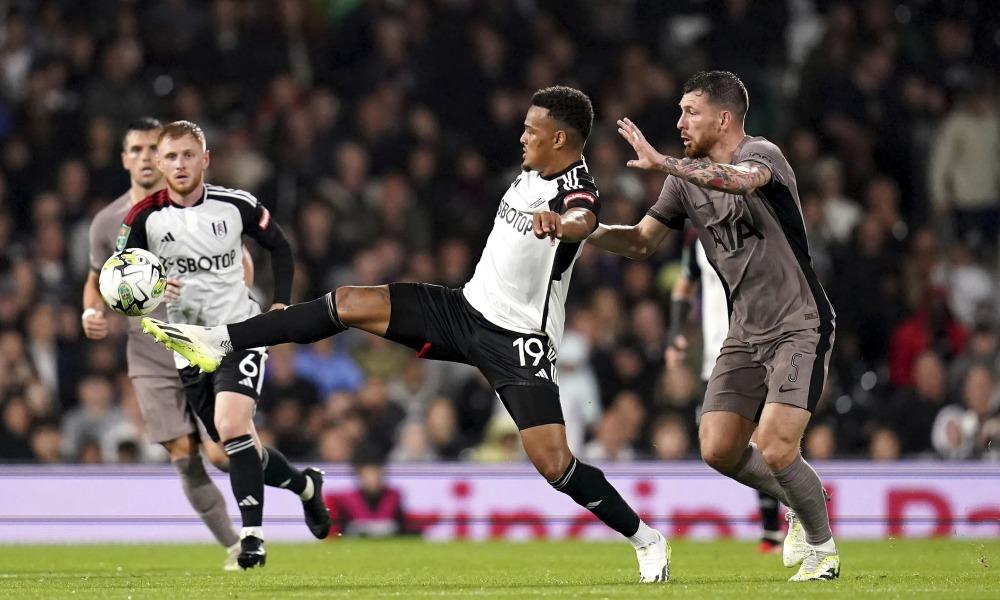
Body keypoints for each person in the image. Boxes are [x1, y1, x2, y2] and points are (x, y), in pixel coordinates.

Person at [141, 87, 671, 583]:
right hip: (463, 309)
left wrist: (566, 225)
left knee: (555, 465)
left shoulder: (574, 186)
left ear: (559, 138)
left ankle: (646, 539)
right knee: (348, 301)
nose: (521, 137)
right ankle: (223, 339)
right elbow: (601, 234)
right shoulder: (531, 169)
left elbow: (582, 215)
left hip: (517, 341)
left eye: (531, 130)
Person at [588, 71, 839, 581]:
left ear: (723, 118)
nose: (679, 122)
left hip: (800, 322)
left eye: (690, 111)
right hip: (744, 332)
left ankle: (822, 550)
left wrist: (666, 164)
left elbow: (739, 180)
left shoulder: (764, 155)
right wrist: (583, 231)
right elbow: (641, 241)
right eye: (680, 111)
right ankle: (802, 494)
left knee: (774, 445)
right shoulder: (682, 180)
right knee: (718, 448)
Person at [115, 120, 331, 569]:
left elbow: (281, 246)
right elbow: (121, 287)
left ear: (205, 160)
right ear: (157, 163)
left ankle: (252, 539)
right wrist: (150, 295)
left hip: (240, 333)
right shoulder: (141, 219)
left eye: (188, 155)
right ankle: (306, 486)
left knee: (232, 425)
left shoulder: (236, 205)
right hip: (187, 346)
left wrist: (279, 304)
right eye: (170, 156)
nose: (179, 164)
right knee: (228, 453)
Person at [82, 117, 241, 571]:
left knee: (222, 452)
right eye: (136, 150)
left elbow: (241, 262)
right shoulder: (107, 223)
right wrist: (91, 312)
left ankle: (291, 484)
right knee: (184, 455)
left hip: (200, 342)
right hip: (149, 349)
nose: (146, 158)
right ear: (124, 159)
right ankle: (235, 545)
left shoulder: (197, 208)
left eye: (155, 148)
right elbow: (95, 282)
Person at [669, 232, 783, 553]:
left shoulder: (759, 232)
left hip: (759, 353)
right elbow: (684, 283)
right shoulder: (697, 241)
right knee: (721, 448)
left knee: (765, 439)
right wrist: (676, 331)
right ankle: (796, 504)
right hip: (715, 359)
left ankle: (775, 529)